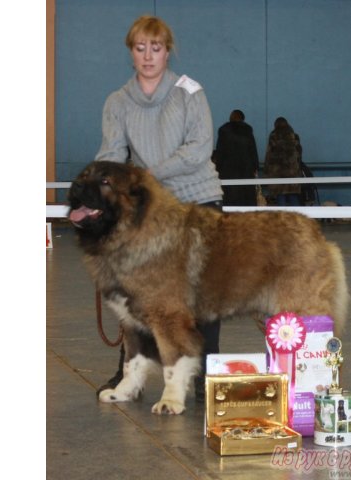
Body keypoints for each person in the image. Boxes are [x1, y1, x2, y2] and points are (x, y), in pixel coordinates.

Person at [94, 15, 223, 401]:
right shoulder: (117, 101)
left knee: (205, 294)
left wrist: (149, 175)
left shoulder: (189, 92)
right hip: (147, 212)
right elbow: (113, 154)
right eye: (140, 48)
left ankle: (205, 375)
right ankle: (130, 376)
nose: (148, 56)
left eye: (156, 47)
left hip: (196, 198)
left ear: (168, 51)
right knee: (138, 297)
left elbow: (199, 149)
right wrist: (103, 189)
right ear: (130, 52)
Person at [212, 109, 260, 206]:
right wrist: (255, 167)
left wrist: (218, 168)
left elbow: (220, 152)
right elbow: (253, 151)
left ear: (230, 118)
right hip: (246, 171)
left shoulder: (223, 130)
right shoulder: (248, 130)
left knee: (229, 201)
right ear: (243, 119)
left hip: (228, 172)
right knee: (246, 201)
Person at [264, 117, 303, 206]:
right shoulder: (294, 136)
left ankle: (282, 218)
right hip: (292, 172)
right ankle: (296, 218)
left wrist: (266, 171)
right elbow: (299, 153)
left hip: (278, 172)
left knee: (280, 196)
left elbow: (269, 154)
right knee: (293, 195)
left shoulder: (273, 136)